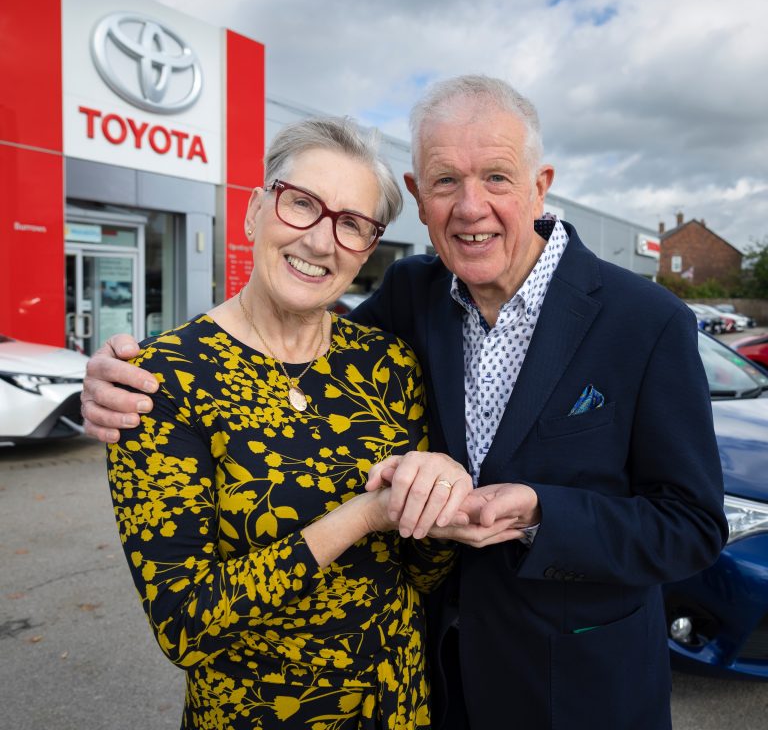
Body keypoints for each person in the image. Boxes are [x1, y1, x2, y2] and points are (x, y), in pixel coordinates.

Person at [83, 76, 728, 730]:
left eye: (498, 178)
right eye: (446, 181)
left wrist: (541, 513)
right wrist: (114, 375)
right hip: (431, 691)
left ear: (541, 185)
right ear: (419, 199)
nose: (471, 207)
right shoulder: (411, 299)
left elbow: (693, 526)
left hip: (575, 693)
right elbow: (279, 326)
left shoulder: (645, 321)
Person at [102, 116, 461, 730]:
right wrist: (363, 514)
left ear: (368, 251)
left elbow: (425, 571)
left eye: (351, 224)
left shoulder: (386, 363)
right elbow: (185, 624)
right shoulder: (163, 380)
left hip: (399, 705)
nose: (321, 242)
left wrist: (438, 488)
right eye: (302, 204)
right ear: (253, 212)